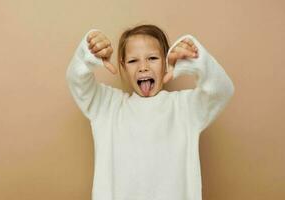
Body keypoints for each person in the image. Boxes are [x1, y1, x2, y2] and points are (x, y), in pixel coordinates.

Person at [66, 24, 235, 200]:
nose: (143, 67)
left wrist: (196, 61)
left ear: (166, 62)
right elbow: (77, 80)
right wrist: (89, 52)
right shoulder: (107, 106)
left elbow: (221, 90)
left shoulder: (185, 107)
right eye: (133, 61)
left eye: (152, 58)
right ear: (123, 66)